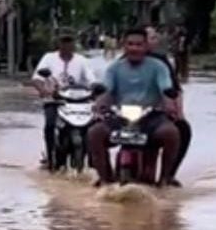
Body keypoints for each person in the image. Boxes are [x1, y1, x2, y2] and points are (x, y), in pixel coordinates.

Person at [88, 27, 181, 187]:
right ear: (124, 46)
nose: (134, 48)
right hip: (120, 117)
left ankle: (165, 179)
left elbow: (165, 89)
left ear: (146, 46)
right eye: (130, 44)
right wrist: (99, 106)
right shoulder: (114, 68)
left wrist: (170, 104)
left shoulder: (159, 67)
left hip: (151, 117)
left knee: (171, 133)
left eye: (138, 45)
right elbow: (106, 91)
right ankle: (104, 178)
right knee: (94, 133)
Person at [32, 30, 96, 168]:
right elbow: (37, 78)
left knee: (92, 126)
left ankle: (92, 159)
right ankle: (51, 156)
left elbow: (91, 80)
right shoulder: (49, 58)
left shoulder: (82, 61)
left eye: (70, 41)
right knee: (50, 125)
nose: (67, 45)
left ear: (74, 43)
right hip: (55, 101)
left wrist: (95, 89)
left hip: (78, 103)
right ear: (58, 43)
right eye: (64, 41)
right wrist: (44, 90)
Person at [145, 26, 191, 181]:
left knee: (182, 129)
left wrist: (179, 113)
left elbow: (174, 90)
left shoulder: (161, 62)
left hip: (157, 113)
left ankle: (168, 176)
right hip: (128, 114)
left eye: (152, 38)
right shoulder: (122, 63)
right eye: (148, 37)